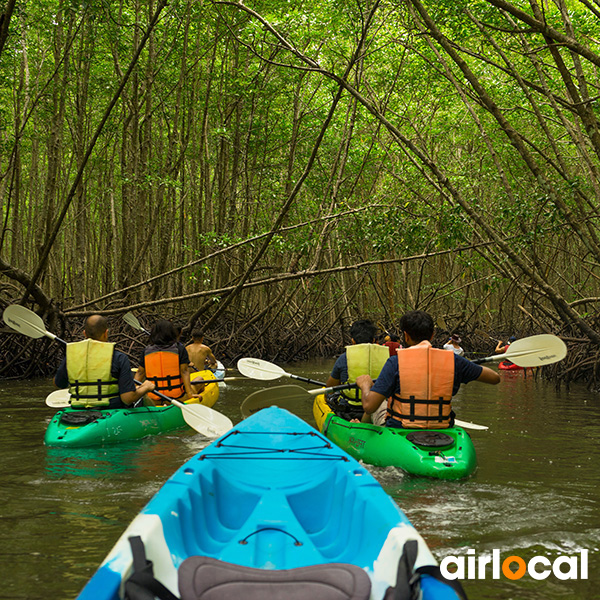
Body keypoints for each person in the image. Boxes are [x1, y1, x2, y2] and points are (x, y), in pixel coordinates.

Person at [356, 310, 500, 429]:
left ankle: (360, 431)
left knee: (378, 399)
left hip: (401, 428)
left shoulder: (395, 362)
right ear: (432, 335)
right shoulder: (454, 361)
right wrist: (466, 366)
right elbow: (495, 378)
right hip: (442, 428)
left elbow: (369, 406)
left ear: (406, 336)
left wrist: (365, 385)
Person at [54, 315, 155, 409]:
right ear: (106, 333)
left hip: (77, 409)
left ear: (84, 334)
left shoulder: (72, 356)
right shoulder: (119, 358)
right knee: (141, 398)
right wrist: (145, 387)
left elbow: (59, 383)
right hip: (110, 409)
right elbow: (127, 398)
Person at [325, 319, 390, 420]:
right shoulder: (388, 359)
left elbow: (330, 387)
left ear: (353, 341)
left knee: (330, 396)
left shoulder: (344, 358)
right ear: (373, 340)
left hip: (350, 410)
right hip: (377, 408)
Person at [134, 319, 200, 406]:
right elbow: (184, 371)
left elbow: (140, 372)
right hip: (177, 398)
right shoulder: (179, 349)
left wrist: (133, 392)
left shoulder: (146, 351)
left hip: (153, 398)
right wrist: (190, 393)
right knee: (199, 380)